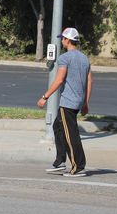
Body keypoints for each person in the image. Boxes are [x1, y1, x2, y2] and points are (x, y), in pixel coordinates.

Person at [37, 27, 93, 177]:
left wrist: (45, 97)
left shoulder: (65, 58)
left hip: (68, 102)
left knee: (71, 134)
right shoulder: (84, 58)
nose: (62, 41)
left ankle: (79, 166)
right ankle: (60, 162)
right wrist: (86, 102)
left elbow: (59, 80)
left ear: (68, 40)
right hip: (78, 101)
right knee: (58, 127)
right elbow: (89, 80)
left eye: (63, 38)